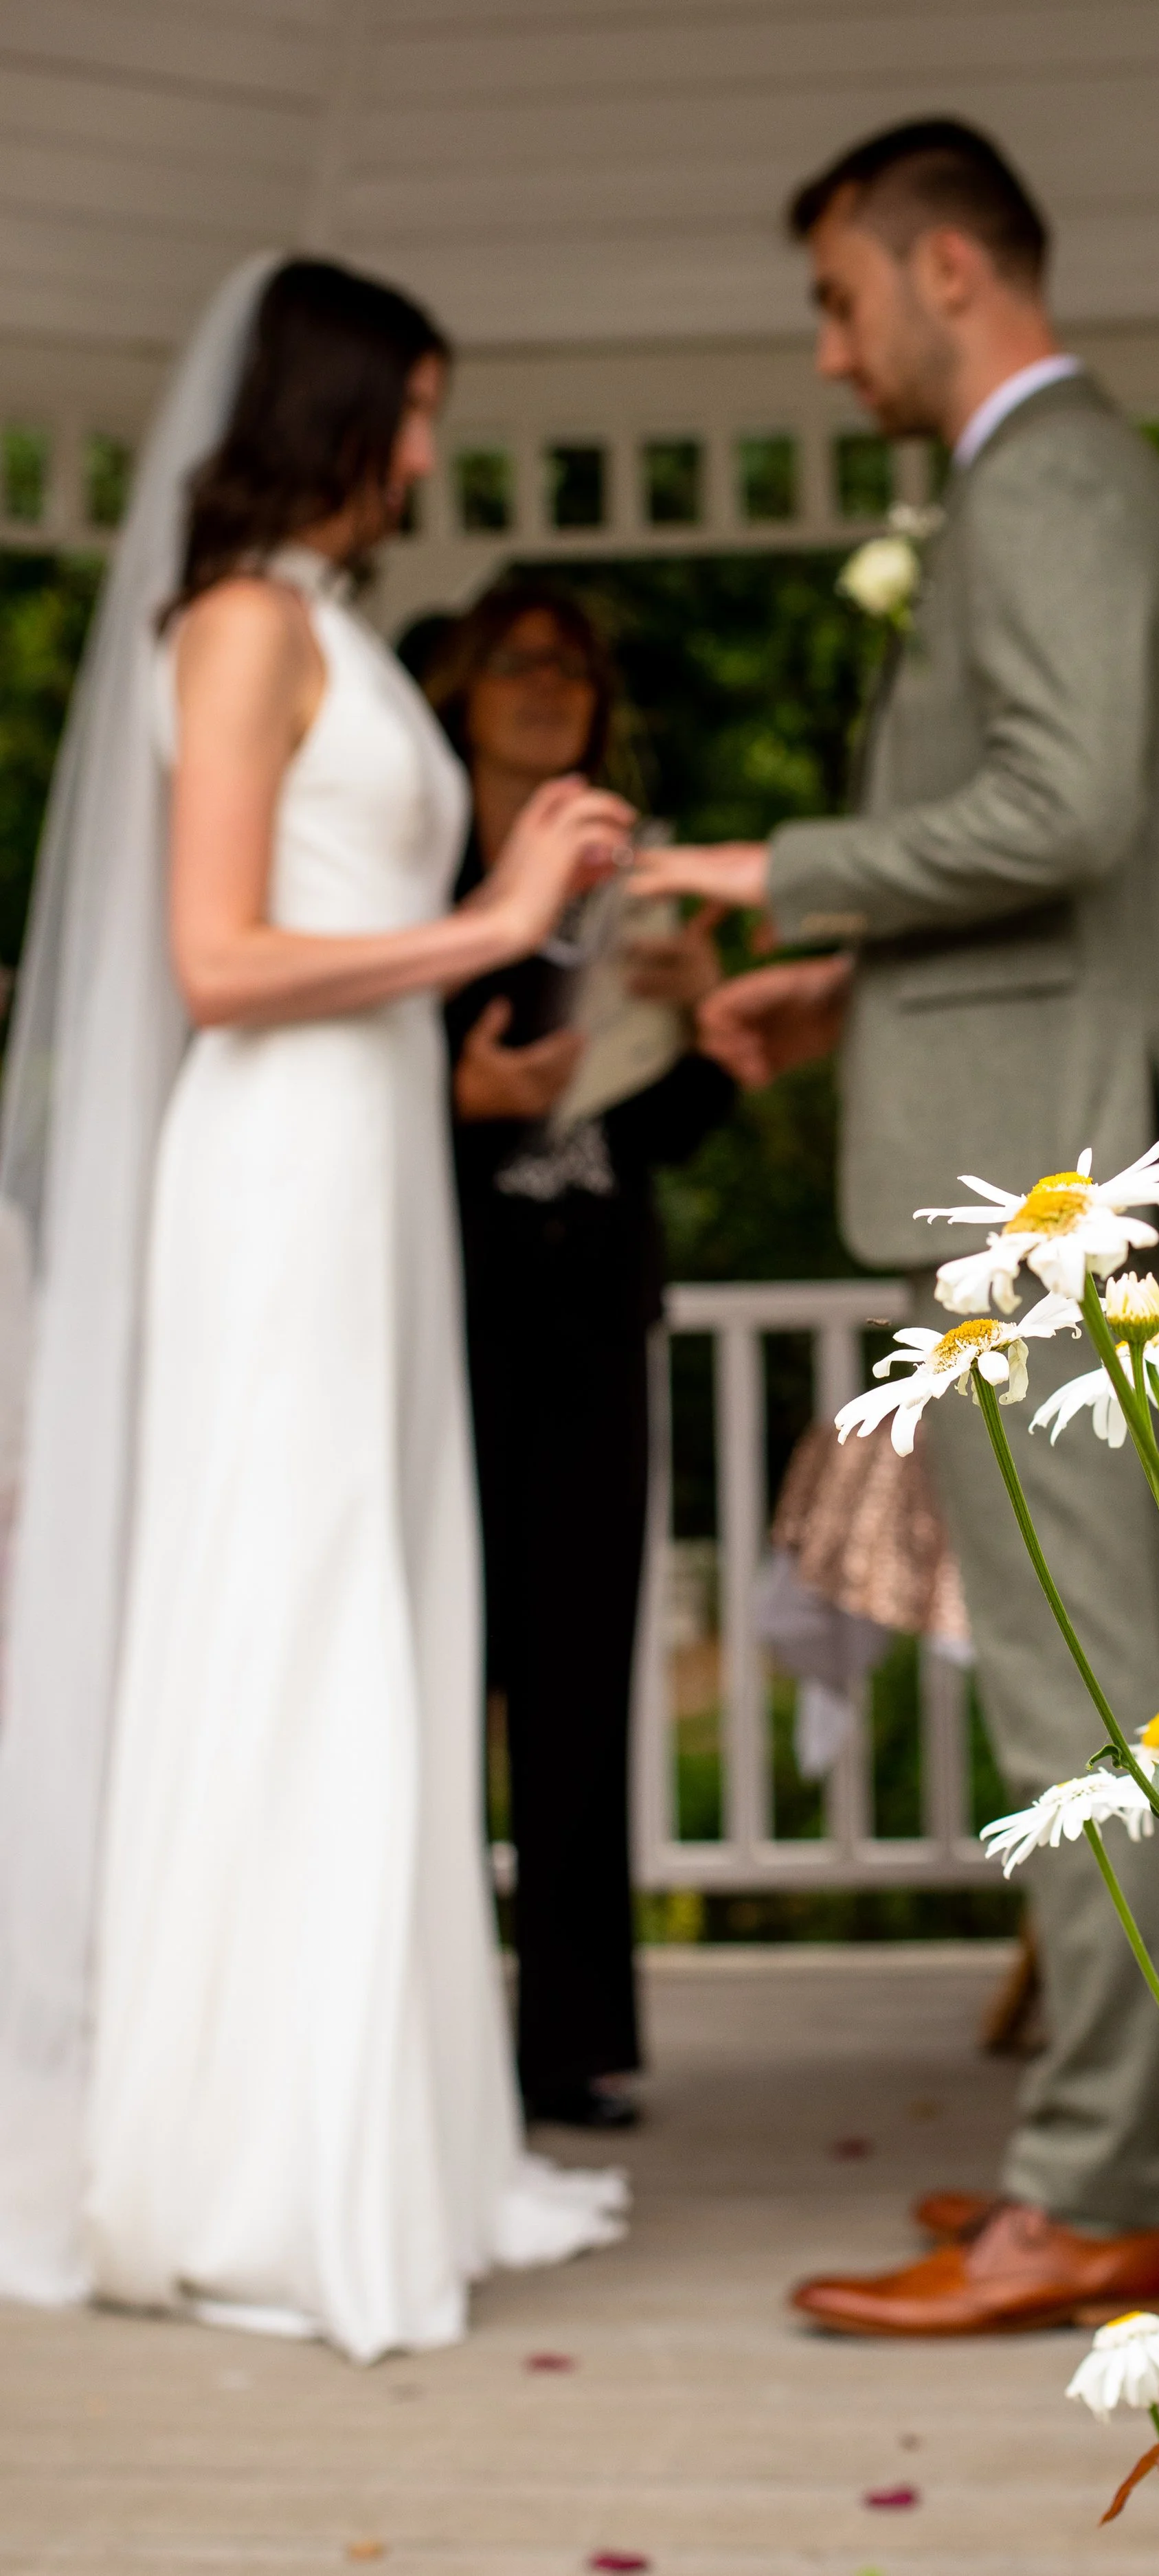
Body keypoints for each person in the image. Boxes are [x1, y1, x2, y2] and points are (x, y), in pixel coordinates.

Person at [631, 120, 1159, 2334]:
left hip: (1046, 1183)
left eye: (837, 299)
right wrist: (846, 979)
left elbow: (1064, 804)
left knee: (1088, 1713)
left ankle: (1096, 2192)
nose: (825, 353)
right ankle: (1142, 2164)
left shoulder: (1047, 481)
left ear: (947, 263)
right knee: (1110, 1692)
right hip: (1050, 1143)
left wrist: (771, 869)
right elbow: (1055, 859)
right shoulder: (1052, 482)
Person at [0, 257, 633, 2359]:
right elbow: (212, 959)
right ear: (332, 405)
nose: (433, 455)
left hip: (369, 1169)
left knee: (382, 1609)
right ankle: (259, 2156)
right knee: (288, 1615)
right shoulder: (248, 621)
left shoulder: (333, 627)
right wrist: (492, 919)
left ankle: (402, 2131)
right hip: (271, 1172)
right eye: (417, 409)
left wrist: (507, 905)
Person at [428, 580, 734, 2130]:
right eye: (520, 660)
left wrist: (705, 1030)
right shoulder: (412, 869)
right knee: (423, 1677)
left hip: (592, 1317)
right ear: (462, 686)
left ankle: (571, 2046)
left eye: (575, 666)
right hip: (434, 1315)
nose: (550, 685)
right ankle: (410, 2033)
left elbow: (665, 1124)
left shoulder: (628, 878)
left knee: (572, 1690)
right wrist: (457, 1098)